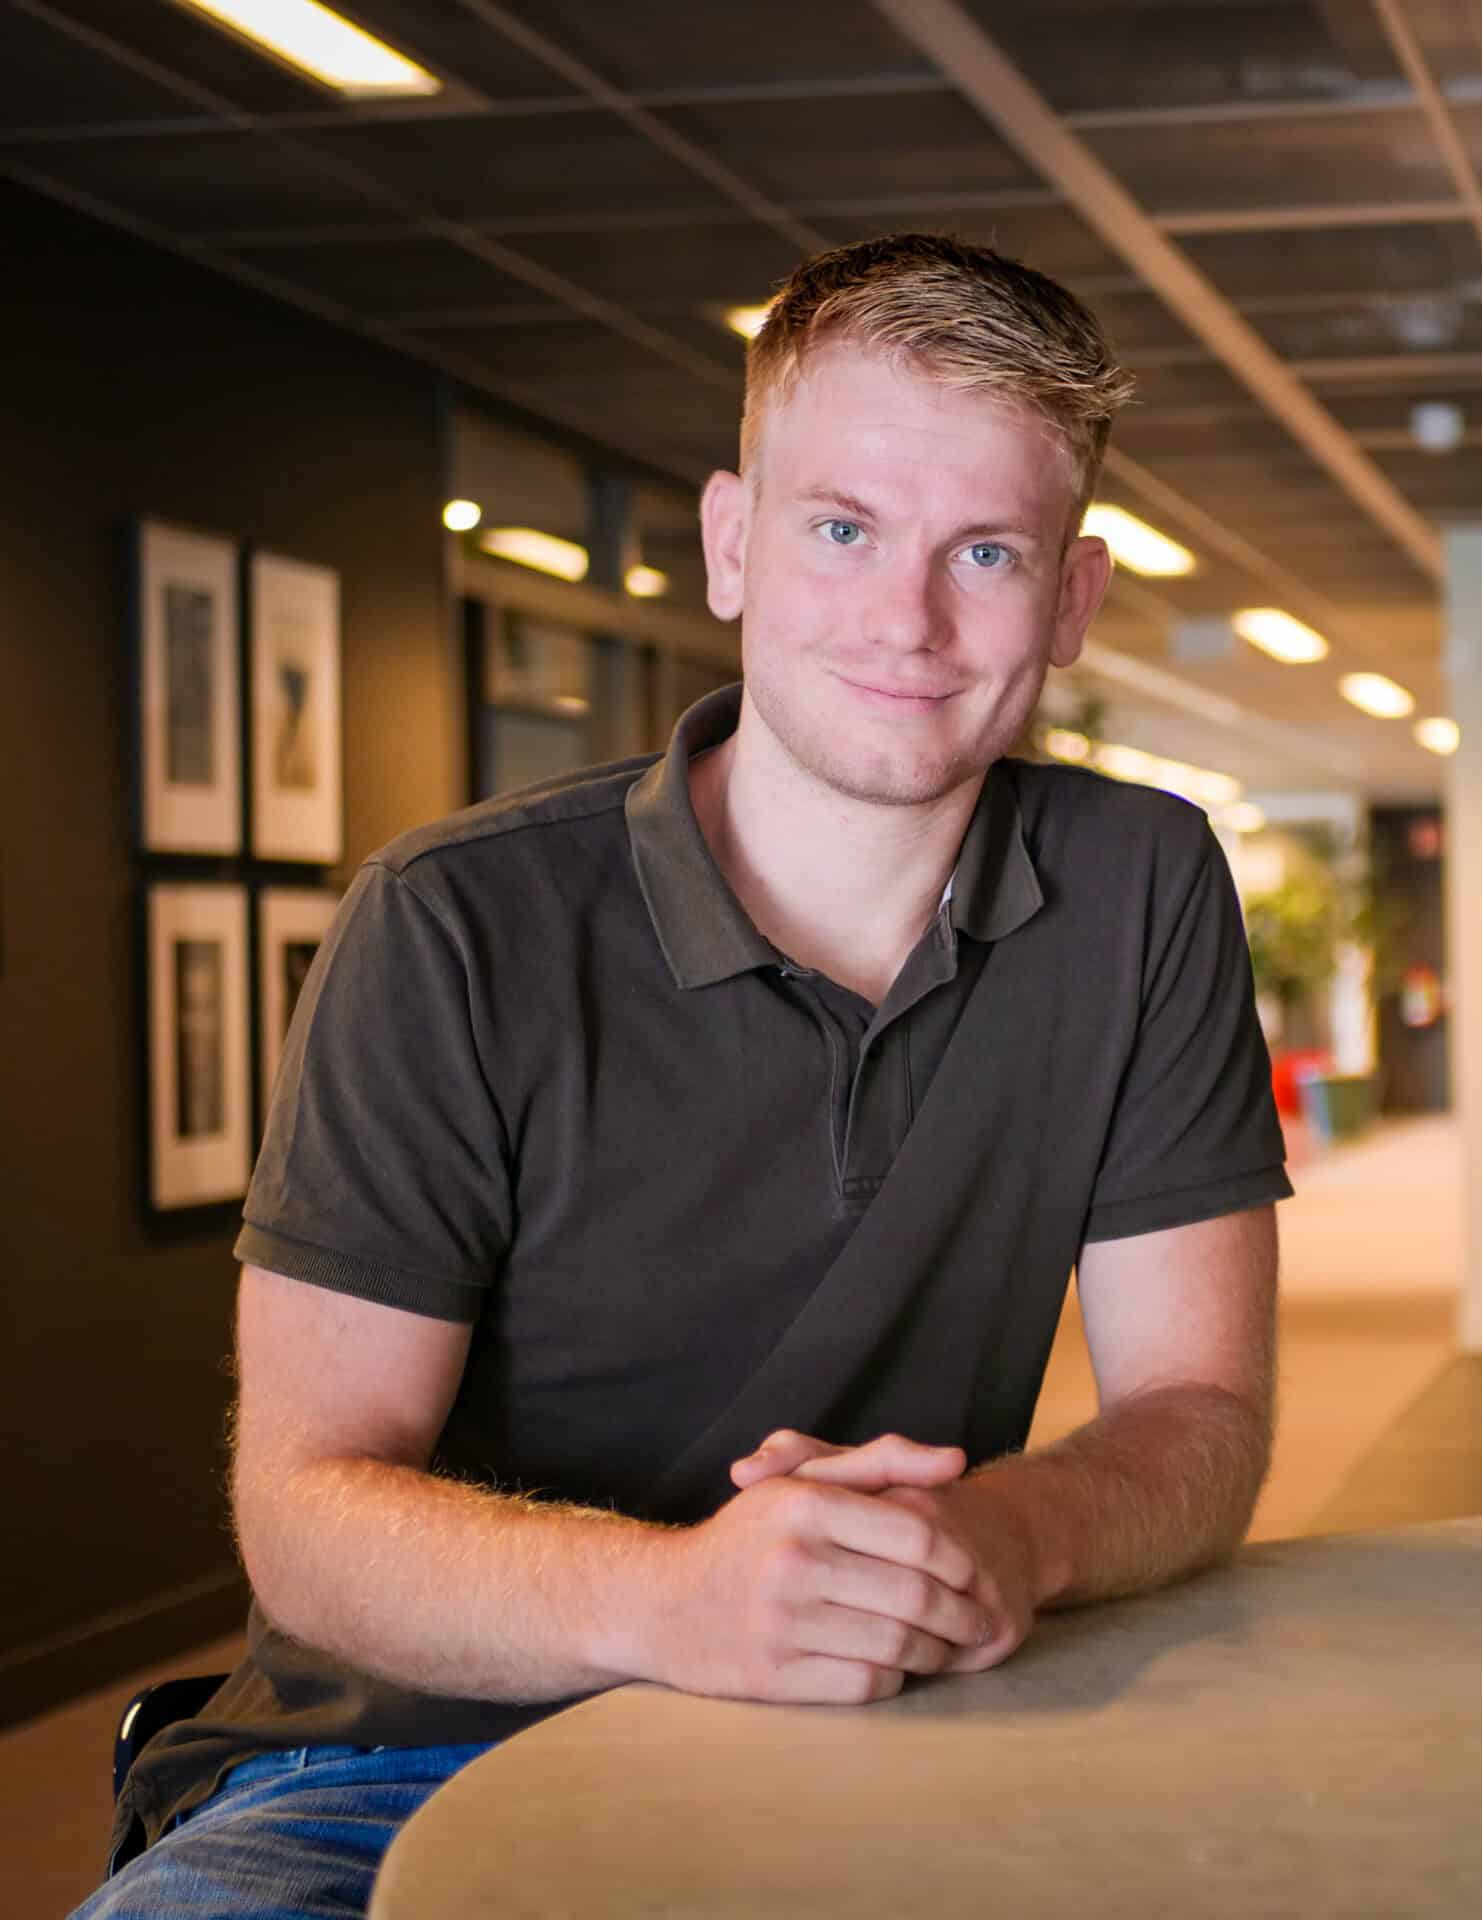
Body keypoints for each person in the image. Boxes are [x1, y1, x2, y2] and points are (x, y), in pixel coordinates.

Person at [89, 235, 1293, 1919]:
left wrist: (1001, 1541)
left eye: (988, 551)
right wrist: (677, 1602)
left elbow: (1203, 1414)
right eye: (843, 529)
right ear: (734, 545)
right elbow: (305, 1515)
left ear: (1073, 599)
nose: (910, 619)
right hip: (399, 1769)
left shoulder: (1142, 883)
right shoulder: (450, 922)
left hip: (891, 1732)